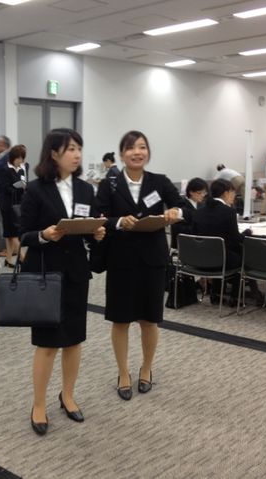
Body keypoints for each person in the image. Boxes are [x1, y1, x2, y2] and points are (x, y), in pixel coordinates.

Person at [19, 128, 105, 436]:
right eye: (71, 149)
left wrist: (96, 233)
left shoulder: (85, 189)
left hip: (76, 273)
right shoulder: (35, 189)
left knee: (73, 340)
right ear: (54, 153)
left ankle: (67, 395)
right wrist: (44, 235)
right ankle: (38, 404)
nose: (77, 154)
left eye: (79, 148)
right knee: (47, 344)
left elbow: (88, 228)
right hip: (46, 273)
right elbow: (23, 233)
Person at [96, 130, 185, 402]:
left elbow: (183, 206)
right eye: (131, 148)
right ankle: (123, 372)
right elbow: (99, 217)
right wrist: (118, 222)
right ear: (122, 154)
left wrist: (175, 212)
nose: (137, 152)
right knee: (121, 320)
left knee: (149, 319)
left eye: (142, 147)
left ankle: (146, 368)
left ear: (148, 152)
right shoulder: (109, 185)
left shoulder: (160, 181)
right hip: (121, 259)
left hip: (152, 260)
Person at [192, 179, 264, 307]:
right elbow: (236, 239)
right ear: (226, 193)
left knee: (224, 251)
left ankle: (216, 294)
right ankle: (236, 297)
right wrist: (247, 232)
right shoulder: (228, 212)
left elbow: (195, 235)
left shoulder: (199, 211)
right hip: (222, 260)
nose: (234, 196)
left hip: (200, 260)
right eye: (233, 192)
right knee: (243, 256)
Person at [0, 145, 28, 267]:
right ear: (13, 157)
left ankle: (9, 259)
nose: (21, 161)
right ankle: (23, 258)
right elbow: (4, 187)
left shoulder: (21, 170)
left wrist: (24, 187)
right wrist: (17, 188)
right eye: (19, 158)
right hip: (7, 205)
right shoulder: (5, 169)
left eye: (22, 158)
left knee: (10, 233)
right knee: (13, 233)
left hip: (18, 204)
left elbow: (24, 183)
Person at [170, 177, 209, 249]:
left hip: (201, 242)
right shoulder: (181, 205)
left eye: (204, 193)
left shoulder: (202, 205)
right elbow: (177, 229)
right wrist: (199, 228)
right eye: (199, 193)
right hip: (185, 244)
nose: (202, 195)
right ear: (191, 192)